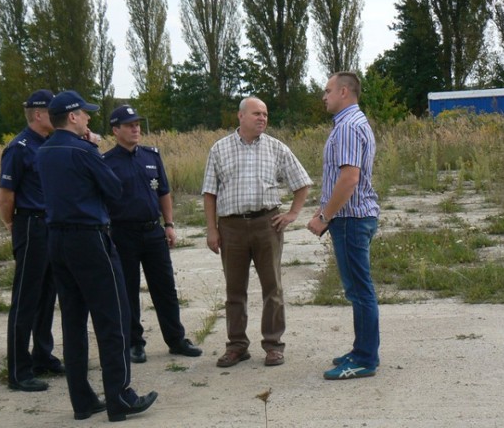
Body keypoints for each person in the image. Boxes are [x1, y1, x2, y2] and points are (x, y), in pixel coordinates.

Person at [36, 90, 157, 422]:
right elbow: (114, 188)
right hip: (89, 239)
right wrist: (92, 145)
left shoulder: (44, 150)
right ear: (73, 117)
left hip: (57, 239)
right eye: (85, 114)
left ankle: (83, 399)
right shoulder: (84, 150)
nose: (89, 118)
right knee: (112, 318)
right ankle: (120, 396)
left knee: (73, 322)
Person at [202, 96, 312, 368]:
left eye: (265, 114)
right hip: (232, 228)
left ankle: (273, 345)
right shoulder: (220, 149)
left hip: (267, 224)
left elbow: (302, 183)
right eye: (256, 113)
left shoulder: (276, 148)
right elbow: (209, 193)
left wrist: (292, 213)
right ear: (240, 117)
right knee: (234, 291)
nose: (262, 118)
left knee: (272, 288)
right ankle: (237, 345)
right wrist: (212, 229)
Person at [104, 105, 203, 364]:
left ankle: (176, 339)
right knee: (127, 291)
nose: (136, 128)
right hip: (123, 233)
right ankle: (134, 342)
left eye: (137, 123)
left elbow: (164, 192)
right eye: (129, 125)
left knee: (165, 288)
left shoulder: (151, 156)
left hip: (152, 231)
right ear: (116, 130)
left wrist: (169, 224)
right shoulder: (106, 162)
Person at [306, 71, 380, 380]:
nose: (323, 96)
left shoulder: (348, 126)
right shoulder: (351, 123)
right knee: (358, 289)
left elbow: (349, 179)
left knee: (359, 291)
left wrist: (325, 217)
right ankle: (362, 349)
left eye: (328, 90)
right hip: (353, 216)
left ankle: (364, 358)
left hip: (350, 219)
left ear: (345, 93)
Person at [0, 89, 64, 392]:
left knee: (47, 295)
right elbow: (6, 195)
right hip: (31, 224)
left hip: (51, 225)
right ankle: (18, 370)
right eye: (52, 111)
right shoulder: (19, 147)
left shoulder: (50, 144)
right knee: (25, 299)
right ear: (38, 114)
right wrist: (13, 223)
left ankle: (42, 355)